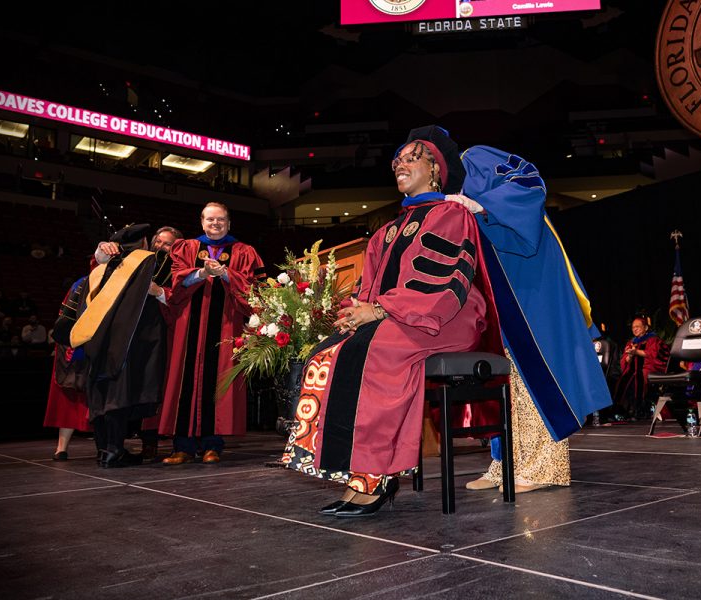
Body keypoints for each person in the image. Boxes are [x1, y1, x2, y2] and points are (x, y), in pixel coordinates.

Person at [281, 126, 503, 517]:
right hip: (399, 317)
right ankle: (352, 473)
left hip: (443, 317)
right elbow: (367, 289)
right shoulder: (385, 231)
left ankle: (377, 478)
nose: (399, 163)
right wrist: (354, 313)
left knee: (374, 354)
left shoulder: (450, 213)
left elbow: (440, 280)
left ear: (435, 169)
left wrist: (379, 311)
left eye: (411, 157)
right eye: (397, 159)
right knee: (326, 353)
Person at [444, 144, 612, 494]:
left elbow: (530, 180)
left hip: (529, 278)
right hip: (498, 283)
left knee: (536, 367)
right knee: (504, 376)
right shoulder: (443, 186)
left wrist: (483, 205)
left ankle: (542, 466)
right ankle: (505, 461)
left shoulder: (473, 157)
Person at [54, 223, 168, 468]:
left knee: (100, 395)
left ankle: (104, 450)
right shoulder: (147, 264)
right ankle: (114, 451)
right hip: (128, 344)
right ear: (144, 244)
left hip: (98, 345)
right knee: (118, 395)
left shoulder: (101, 270)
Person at [158, 204, 263, 464]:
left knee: (218, 381)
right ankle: (181, 447)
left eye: (221, 219)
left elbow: (255, 291)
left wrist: (226, 274)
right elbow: (174, 283)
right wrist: (202, 273)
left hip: (226, 326)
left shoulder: (245, 252)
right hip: (188, 326)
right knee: (184, 380)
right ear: (202, 222)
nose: (215, 224)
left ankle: (212, 446)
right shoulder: (186, 248)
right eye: (210, 219)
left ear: (229, 222)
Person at [95, 224, 183, 460]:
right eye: (158, 242)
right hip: (121, 335)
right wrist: (103, 248)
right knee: (116, 389)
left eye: (168, 244)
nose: (161, 247)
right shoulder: (130, 259)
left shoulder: (174, 267)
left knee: (136, 389)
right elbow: (100, 262)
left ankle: (118, 448)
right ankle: (110, 448)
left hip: (150, 336)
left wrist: (158, 292)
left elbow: (179, 302)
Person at [43, 278, 91, 460]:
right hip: (76, 347)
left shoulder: (79, 283)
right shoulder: (84, 283)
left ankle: (61, 449)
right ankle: (62, 448)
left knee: (72, 399)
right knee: (73, 399)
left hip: (72, 345)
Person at [613, 315, 668, 420]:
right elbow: (625, 361)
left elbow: (654, 355)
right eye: (633, 327)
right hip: (634, 371)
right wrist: (630, 355)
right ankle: (624, 411)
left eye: (638, 326)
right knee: (623, 379)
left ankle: (640, 410)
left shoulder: (653, 340)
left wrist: (636, 352)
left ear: (646, 328)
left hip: (649, 368)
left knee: (639, 376)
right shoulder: (631, 342)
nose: (635, 329)